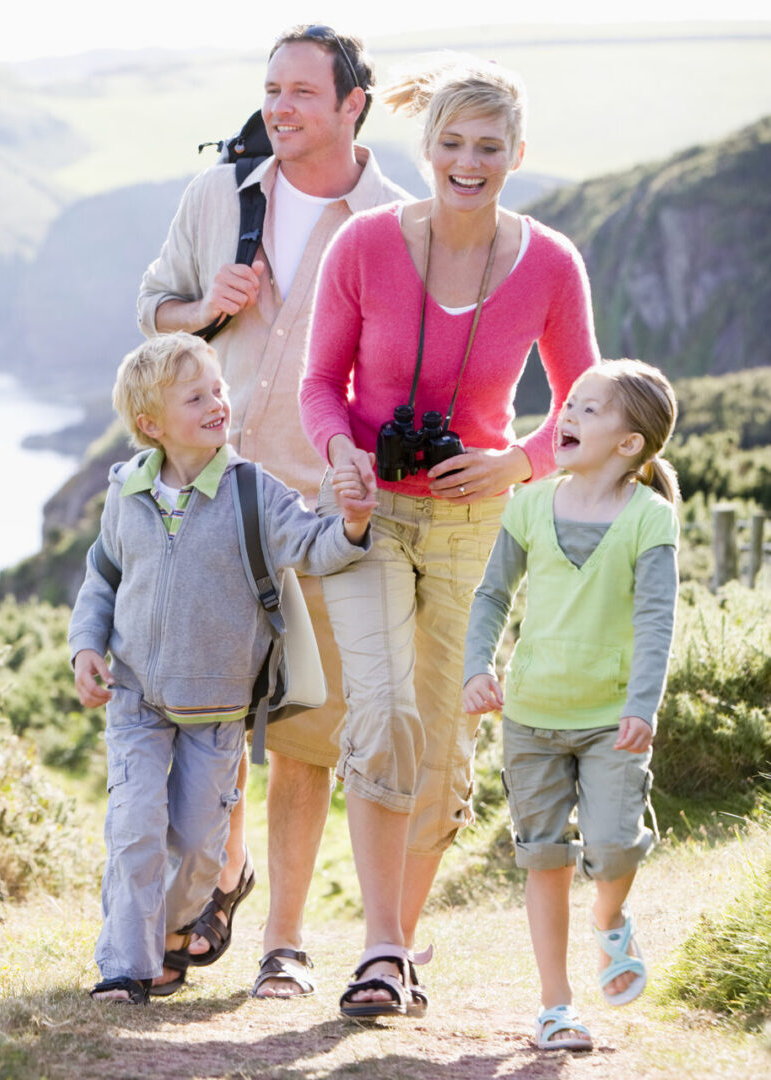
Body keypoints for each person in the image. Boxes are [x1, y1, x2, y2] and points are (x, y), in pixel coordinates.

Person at [298, 54, 599, 1017]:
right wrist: (342, 452)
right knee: (381, 713)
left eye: (489, 147)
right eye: (452, 144)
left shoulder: (551, 262)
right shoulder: (365, 246)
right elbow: (320, 387)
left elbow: (585, 406)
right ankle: (382, 950)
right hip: (371, 513)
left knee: (440, 738)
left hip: (481, 523)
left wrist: (515, 461)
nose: (468, 162)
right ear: (425, 147)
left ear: (517, 154)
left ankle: (400, 944)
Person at [135, 23, 410, 999]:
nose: (279, 108)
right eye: (271, 89)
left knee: (302, 734)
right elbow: (154, 311)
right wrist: (203, 304)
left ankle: (282, 947)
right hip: (209, 502)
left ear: (352, 105)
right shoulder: (219, 196)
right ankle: (224, 872)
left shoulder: (394, 224)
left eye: (301, 92)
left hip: (319, 511)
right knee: (205, 718)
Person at [69, 332, 376, 1003]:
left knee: (200, 849)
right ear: (151, 425)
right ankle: (125, 964)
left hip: (217, 711)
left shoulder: (251, 492)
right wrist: (86, 647)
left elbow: (310, 543)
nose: (218, 401)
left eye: (218, 389)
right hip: (137, 699)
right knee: (134, 828)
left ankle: (174, 936)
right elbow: (102, 577)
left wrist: (351, 525)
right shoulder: (128, 492)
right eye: (197, 396)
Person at [462, 360, 679, 1051]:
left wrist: (643, 703)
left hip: (614, 719)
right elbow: (493, 593)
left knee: (614, 848)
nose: (569, 419)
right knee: (544, 858)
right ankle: (556, 1005)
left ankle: (610, 919)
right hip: (530, 715)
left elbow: (656, 621)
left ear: (630, 444)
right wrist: (478, 666)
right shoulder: (529, 503)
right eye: (569, 406)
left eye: (590, 410)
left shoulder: (650, 519)